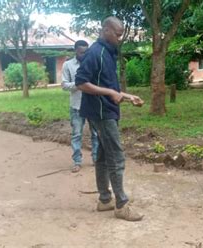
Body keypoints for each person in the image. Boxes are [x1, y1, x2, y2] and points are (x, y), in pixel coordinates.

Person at [75, 16, 145, 222]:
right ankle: (121, 205)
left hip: (106, 110)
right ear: (106, 30)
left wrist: (127, 96)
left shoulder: (107, 53)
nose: (119, 38)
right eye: (117, 34)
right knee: (116, 156)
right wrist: (109, 93)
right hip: (101, 113)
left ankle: (105, 199)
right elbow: (81, 82)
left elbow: (107, 86)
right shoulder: (95, 53)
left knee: (105, 156)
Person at [62, 40, 99, 173]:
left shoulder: (93, 63)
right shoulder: (68, 65)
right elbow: (64, 85)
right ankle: (77, 161)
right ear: (75, 51)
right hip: (76, 105)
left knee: (96, 133)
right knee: (77, 134)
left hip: (92, 104)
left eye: (86, 52)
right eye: (82, 52)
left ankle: (96, 159)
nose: (84, 54)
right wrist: (80, 84)